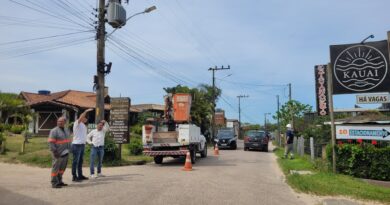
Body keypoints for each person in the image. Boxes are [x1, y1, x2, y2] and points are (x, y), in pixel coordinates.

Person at [48, 117, 71, 188]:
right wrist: (54, 151)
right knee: (55, 169)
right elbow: (51, 142)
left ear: (65, 122)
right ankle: (54, 183)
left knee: (62, 169)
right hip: (57, 153)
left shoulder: (67, 130)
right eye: (58, 121)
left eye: (61, 121)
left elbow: (68, 141)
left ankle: (59, 181)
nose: (59, 123)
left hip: (66, 153)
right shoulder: (54, 131)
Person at [72, 108, 93, 182]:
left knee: (80, 161)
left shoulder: (84, 125)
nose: (86, 118)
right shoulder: (77, 123)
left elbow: (84, 136)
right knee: (75, 161)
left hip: (82, 145)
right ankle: (74, 176)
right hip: (76, 145)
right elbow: (80, 117)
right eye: (85, 117)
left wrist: (86, 142)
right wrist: (86, 111)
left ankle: (80, 175)